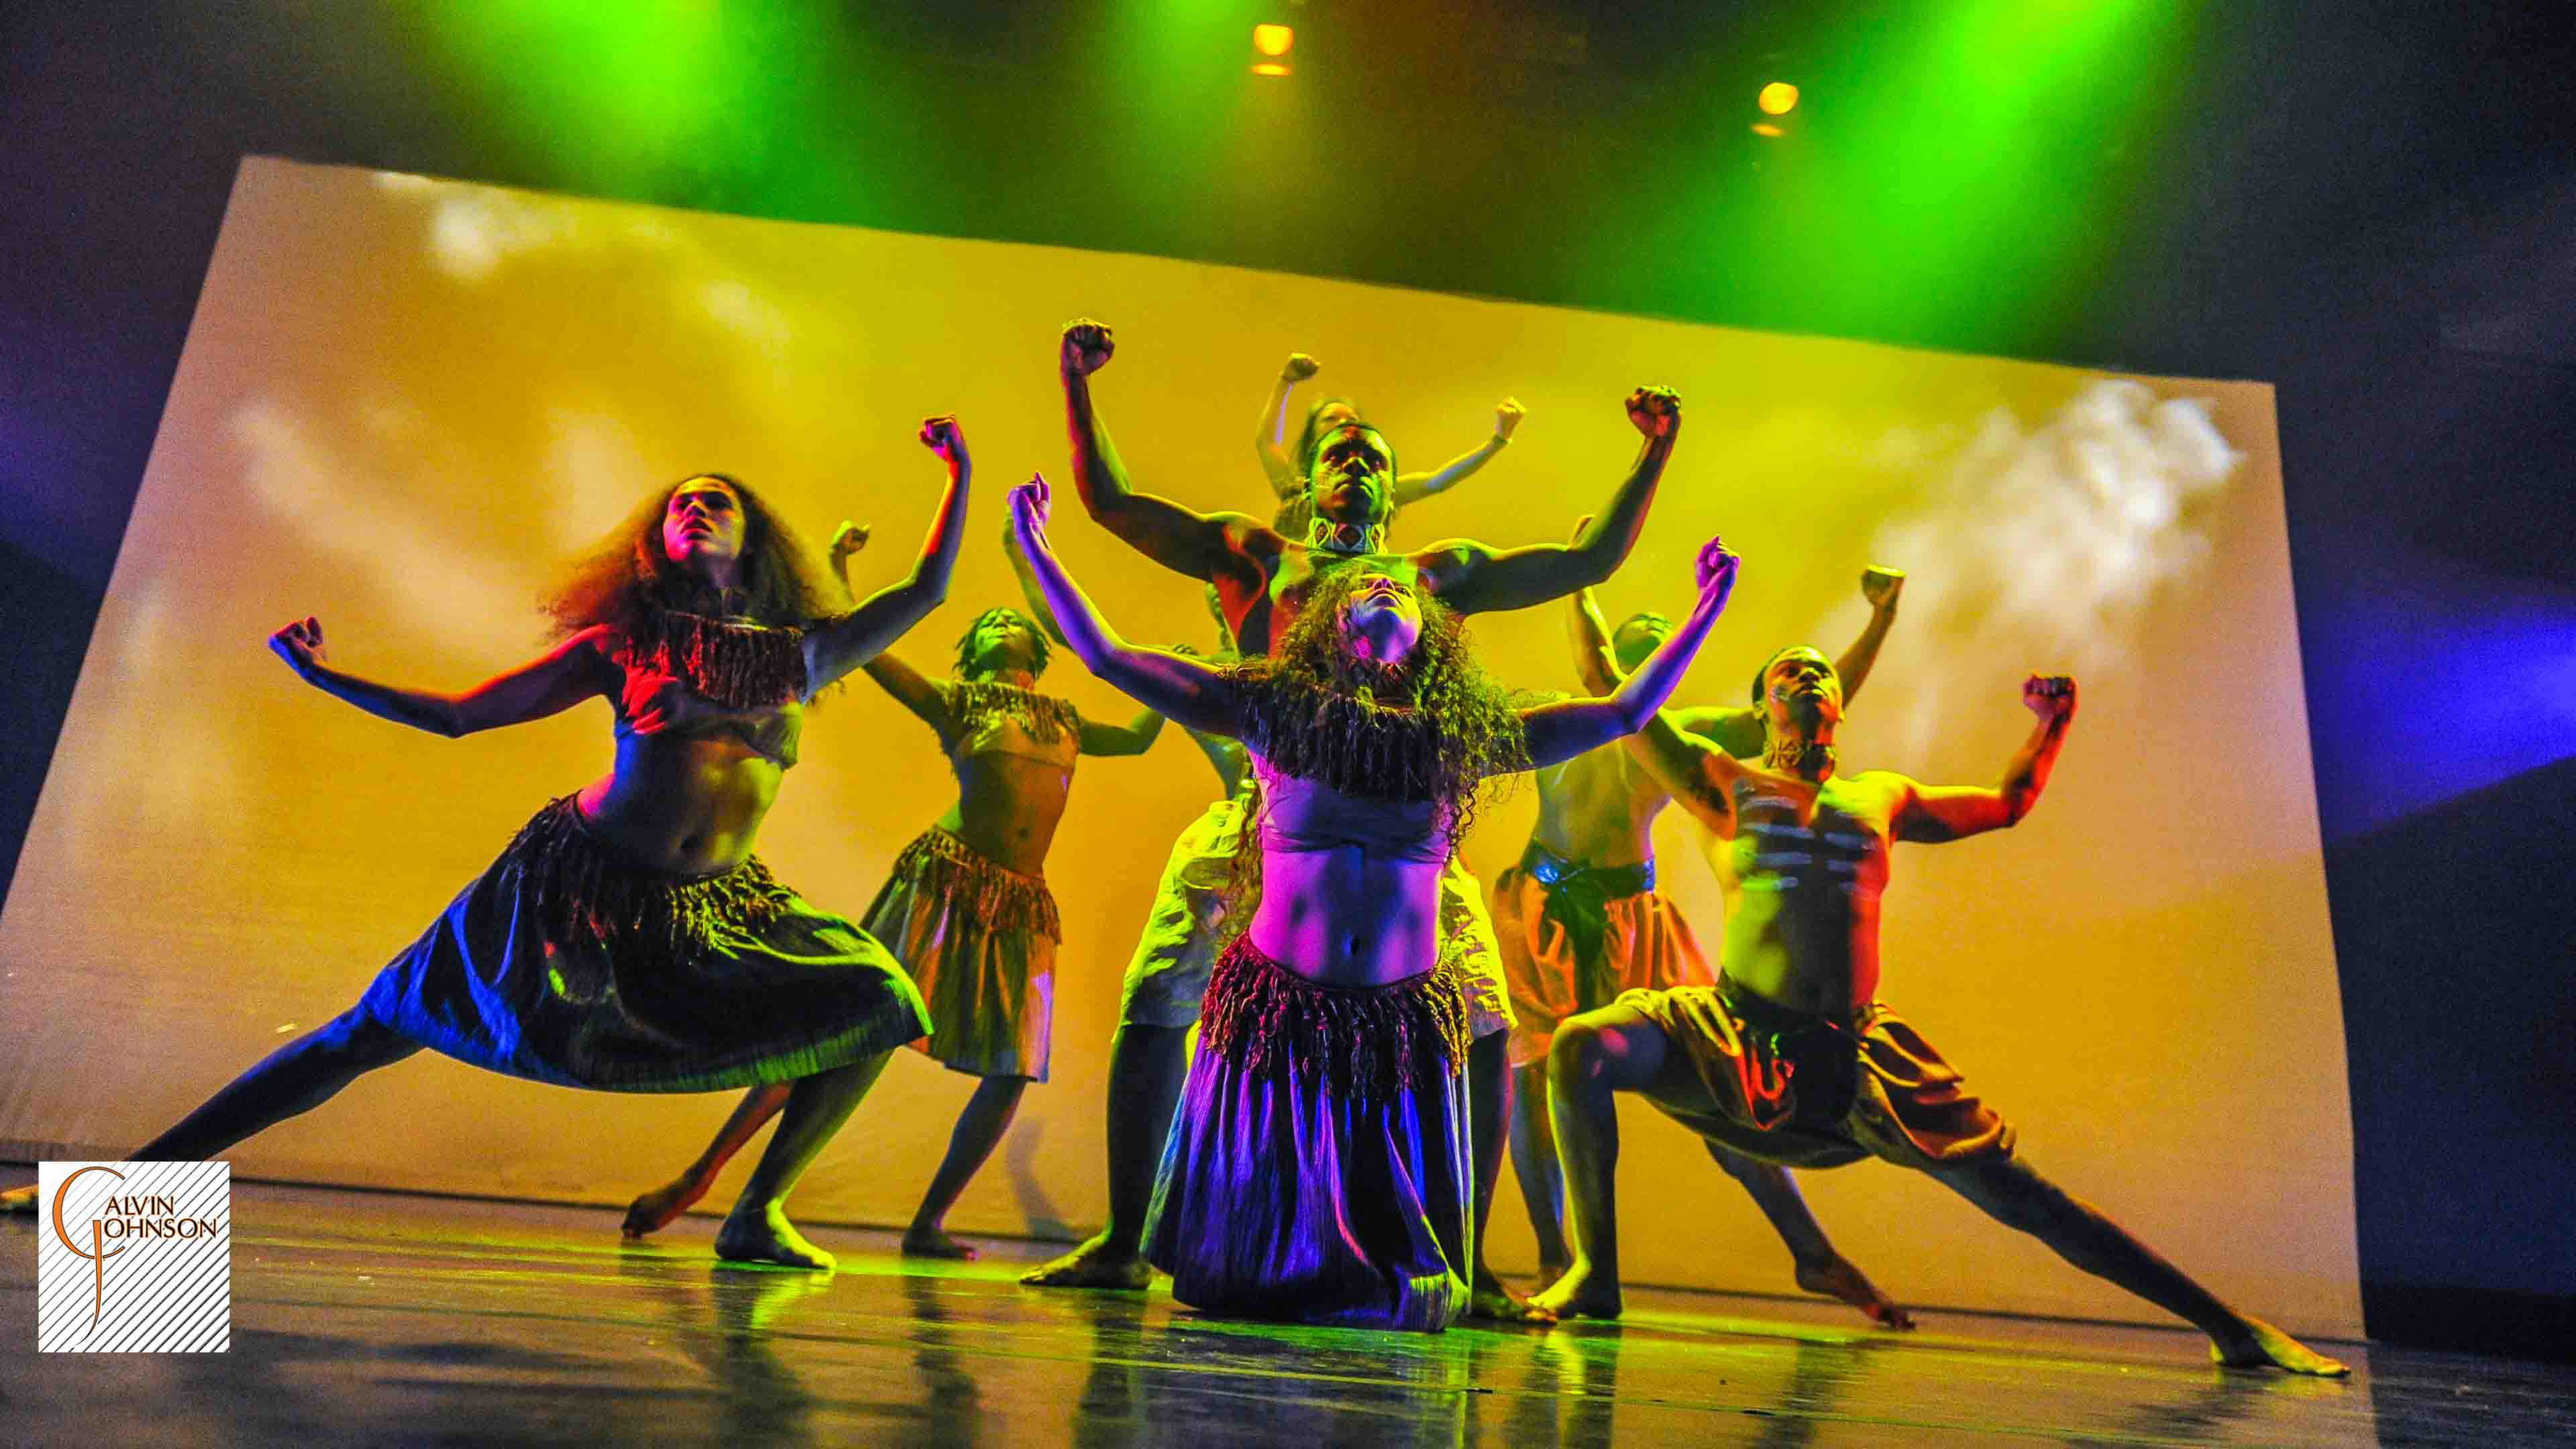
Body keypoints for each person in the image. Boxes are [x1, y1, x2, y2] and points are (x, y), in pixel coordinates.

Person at [1, 422, 977, 1275]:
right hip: (573, 884)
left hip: (718, 907)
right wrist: (327, 677)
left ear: (752, 535)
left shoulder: (805, 652)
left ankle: (757, 1212)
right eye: (678, 505)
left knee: (881, 1000)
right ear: (654, 544)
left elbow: (929, 588)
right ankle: (121, 1188)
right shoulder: (623, 644)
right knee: (368, 1032)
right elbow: (464, 718)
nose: (696, 510)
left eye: (716, 501)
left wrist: (956, 474)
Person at [1023, 319, 1681, 1322]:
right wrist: (1077, 386)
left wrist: (1653, 453)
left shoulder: (1432, 575)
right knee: (1157, 995)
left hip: (1407, 820)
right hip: (1270, 806)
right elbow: (1109, 505)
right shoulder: (1256, 556)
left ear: (1390, 485)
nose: (1358, 468)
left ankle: (1456, 1259)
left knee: (1488, 1021)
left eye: (1376, 459)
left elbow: (1586, 559)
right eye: (1340, 454)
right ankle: (1124, 1239)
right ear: (1310, 476)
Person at [1530, 616, 2349, 1375]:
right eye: (1791, 672)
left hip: (1856, 1050)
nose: (1811, 679)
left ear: (1841, 705)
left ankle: (2232, 1328)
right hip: (1735, 1028)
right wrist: (1593, 581)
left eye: (1822, 673)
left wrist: (2051, 724)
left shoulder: (1880, 798)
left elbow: (2006, 804)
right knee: (1580, 1047)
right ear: (1761, 706)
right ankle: (1595, 1274)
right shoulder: (1724, 786)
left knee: (2027, 1197)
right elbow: (1614, 688)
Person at [617, 523, 1163, 1259]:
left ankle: (928, 1222)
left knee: (1014, 1068)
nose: (1003, 623)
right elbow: (870, 651)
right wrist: (841, 571)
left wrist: (1174, 675)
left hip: (1022, 901)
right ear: (971, 655)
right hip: (944, 879)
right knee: (854, 1029)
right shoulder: (958, 701)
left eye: (1014, 621)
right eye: (989, 623)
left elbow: (1137, 738)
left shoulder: (1066, 719)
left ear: (1038, 649)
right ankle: (715, 1181)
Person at [1493, 557, 1911, 1324]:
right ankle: (1559, 1256)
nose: (1655, 649)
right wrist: (1578, 579)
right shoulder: (1571, 715)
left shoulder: (1681, 736)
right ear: (1615, 655)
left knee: (1725, 1087)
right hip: (1547, 909)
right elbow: (1589, 666)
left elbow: (1803, 711)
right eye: (1638, 641)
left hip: (1636, 919)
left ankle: (1811, 1254)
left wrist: (1878, 622)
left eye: (1666, 642)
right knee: (1531, 1077)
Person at [1253, 350, 1522, 535]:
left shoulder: (1375, 488)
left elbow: (1437, 481)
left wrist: (1498, 441)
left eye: (1351, 419)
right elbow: (1266, 441)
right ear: (1313, 436)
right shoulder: (1295, 486)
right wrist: (1286, 381)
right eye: (1331, 419)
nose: (1343, 424)